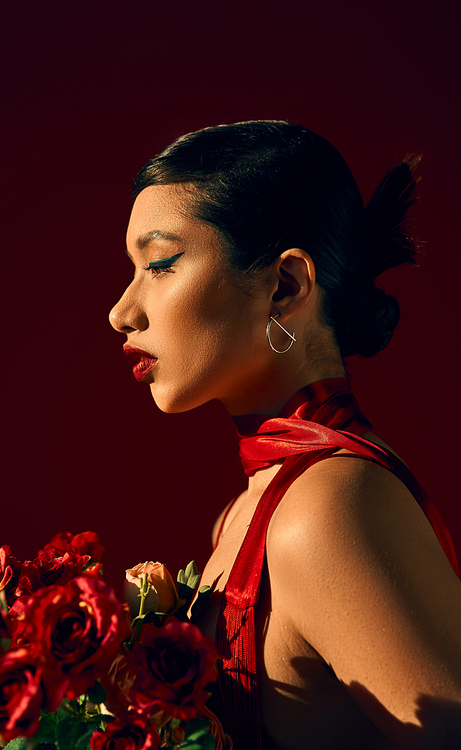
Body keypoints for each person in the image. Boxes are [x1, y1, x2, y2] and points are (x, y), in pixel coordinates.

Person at [109, 121, 461, 750]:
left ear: (286, 285)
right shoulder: (246, 511)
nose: (121, 312)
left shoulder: (327, 508)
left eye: (159, 265)